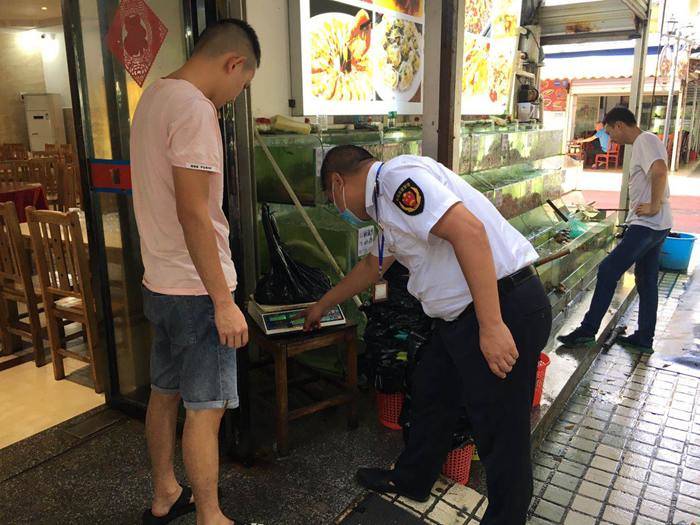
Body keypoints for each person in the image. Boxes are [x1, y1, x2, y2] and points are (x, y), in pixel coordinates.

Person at [303, 146, 553, 524]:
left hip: (500, 308)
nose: (336, 206)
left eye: (330, 197)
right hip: (461, 319)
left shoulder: (395, 181)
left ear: (338, 182)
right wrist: (324, 304)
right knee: (431, 389)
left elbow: (469, 232)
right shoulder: (386, 208)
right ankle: (412, 478)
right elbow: (373, 265)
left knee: (501, 433)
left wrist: (491, 325)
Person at [130, 19, 260, 525]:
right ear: (234, 64)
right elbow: (193, 212)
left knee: (164, 395)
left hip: (158, 283)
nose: (234, 96)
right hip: (196, 291)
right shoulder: (195, 109)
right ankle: (211, 516)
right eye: (242, 85)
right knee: (206, 410)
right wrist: (223, 302)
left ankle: (166, 494)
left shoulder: (155, 97)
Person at [558, 107, 672, 353]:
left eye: (610, 132)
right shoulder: (649, 140)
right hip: (659, 224)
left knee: (608, 269)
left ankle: (587, 331)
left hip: (648, 225)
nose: (612, 138)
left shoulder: (644, 140)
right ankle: (644, 338)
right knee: (647, 281)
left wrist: (653, 205)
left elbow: (660, 171)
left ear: (620, 125)